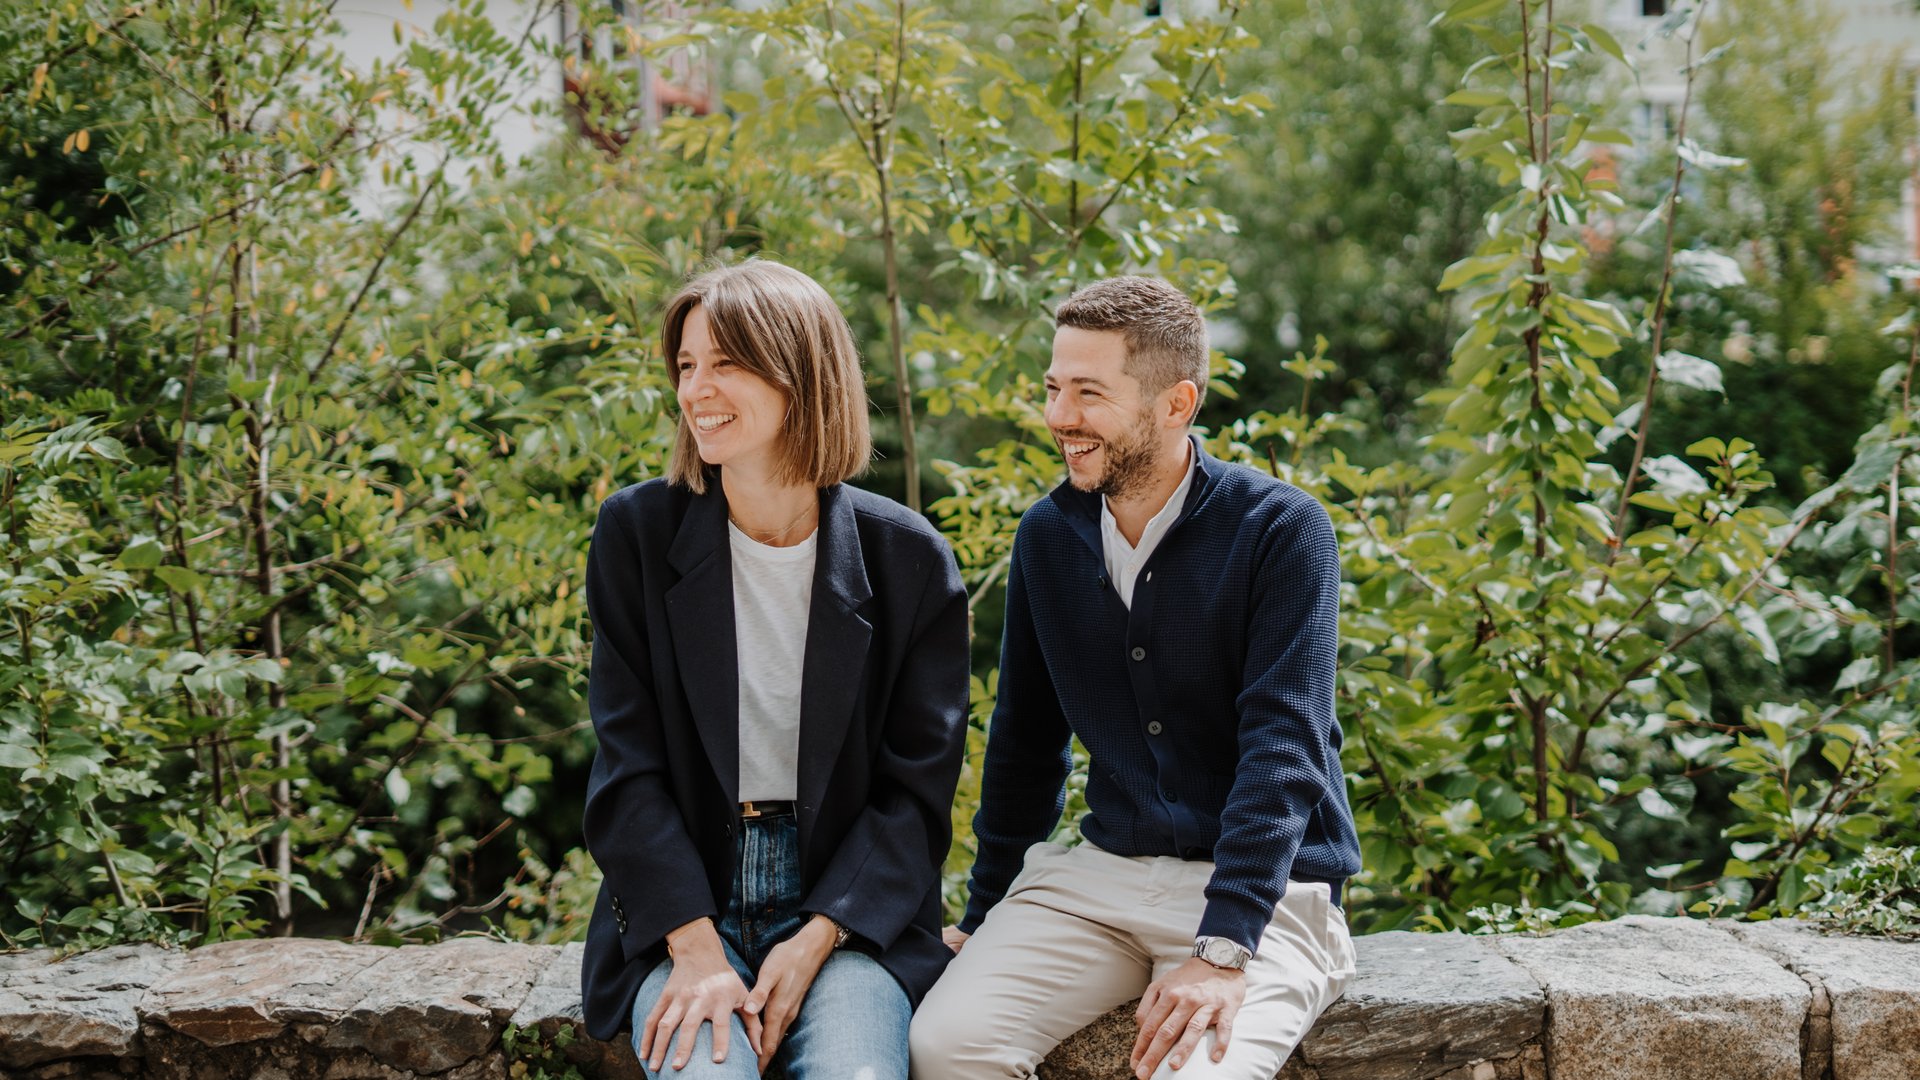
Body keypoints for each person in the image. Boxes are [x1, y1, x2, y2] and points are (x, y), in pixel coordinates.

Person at [909, 276, 1360, 1080]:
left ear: (1176, 404)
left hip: (1266, 892)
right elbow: (1024, 744)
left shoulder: (1282, 530)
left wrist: (1223, 949)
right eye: (1053, 388)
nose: (1059, 418)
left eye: (1088, 393)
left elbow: (1283, 748)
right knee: (946, 1045)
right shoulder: (1048, 537)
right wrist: (984, 914)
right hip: (1102, 881)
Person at [578, 259, 968, 1080]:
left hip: (849, 914)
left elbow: (915, 797)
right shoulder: (636, 536)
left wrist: (821, 932)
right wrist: (693, 946)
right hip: (686, 906)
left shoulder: (910, 562)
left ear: (800, 375)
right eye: (687, 366)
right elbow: (627, 771)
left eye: (725, 363)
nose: (696, 390)